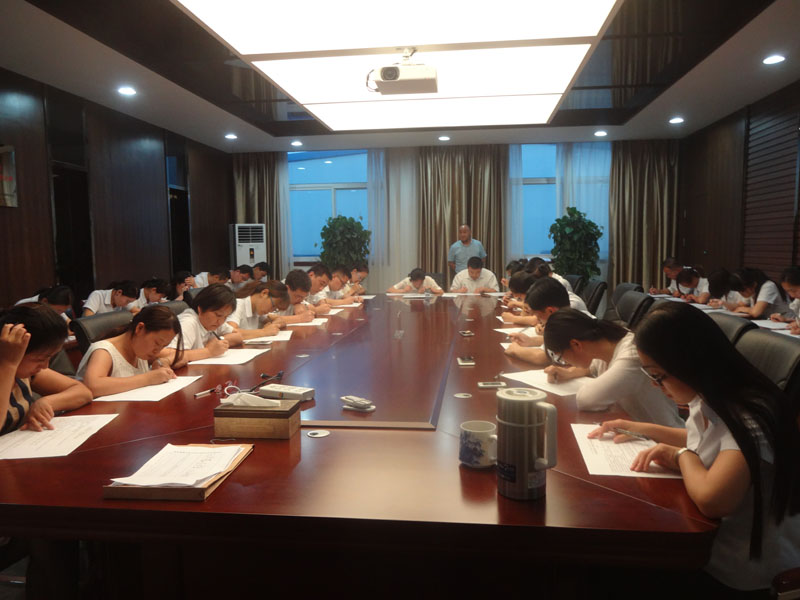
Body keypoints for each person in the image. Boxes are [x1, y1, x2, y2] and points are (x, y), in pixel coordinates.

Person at [589, 302, 800, 594]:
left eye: (658, 375)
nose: (656, 385)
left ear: (689, 363)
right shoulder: (708, 395)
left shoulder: (750, 416)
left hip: (743, 571)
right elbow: (704, 441)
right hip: (710, 548)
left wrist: (681, 457)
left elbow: (714, 500)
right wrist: (640, 429)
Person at [542, 308, 684, 426]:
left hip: (663, 441)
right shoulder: (607, 341)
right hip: (636, 433)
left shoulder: (631, 356)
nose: (563, 362)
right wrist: (569, 373)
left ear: (576, 345)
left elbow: (586, 400)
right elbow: (592, 367)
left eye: (560, 356)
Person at [1, 303, 92, 434]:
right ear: (13, 349)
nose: (45, 366)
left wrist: (47, 402)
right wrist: (9, 363)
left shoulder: (26, 374)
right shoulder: (10, 365)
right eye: (40, 359)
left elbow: (83, 392)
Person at [76, 305, 181, 396]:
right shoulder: (104, 351)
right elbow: (93, 385)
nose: (157, 351)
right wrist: (148, 378)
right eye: (157, 343)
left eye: (164, 346)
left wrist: (161, 362)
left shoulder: (139, 348)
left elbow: (178, 355)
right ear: (139, 328)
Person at [504, 278, 589, 365]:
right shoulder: (571, 317)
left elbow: (542, 357)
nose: (538, 321)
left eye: (538, 316)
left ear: (550, 311)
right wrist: (531, 341)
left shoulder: (569, 325)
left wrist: (515, 350)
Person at [160, 284, 244, 367]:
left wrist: (220, 341)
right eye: (218, 315)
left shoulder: (216, 321)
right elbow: (164, 353)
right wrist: (209, 351)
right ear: (200, 309)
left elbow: (238, 336)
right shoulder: (188, 322)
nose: (221, 321)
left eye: (226, 317)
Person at [770, 267, 800, 333]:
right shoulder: (798, 300)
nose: (792, 295)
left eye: (794, 291)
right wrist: (786, 320)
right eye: (788, 291)